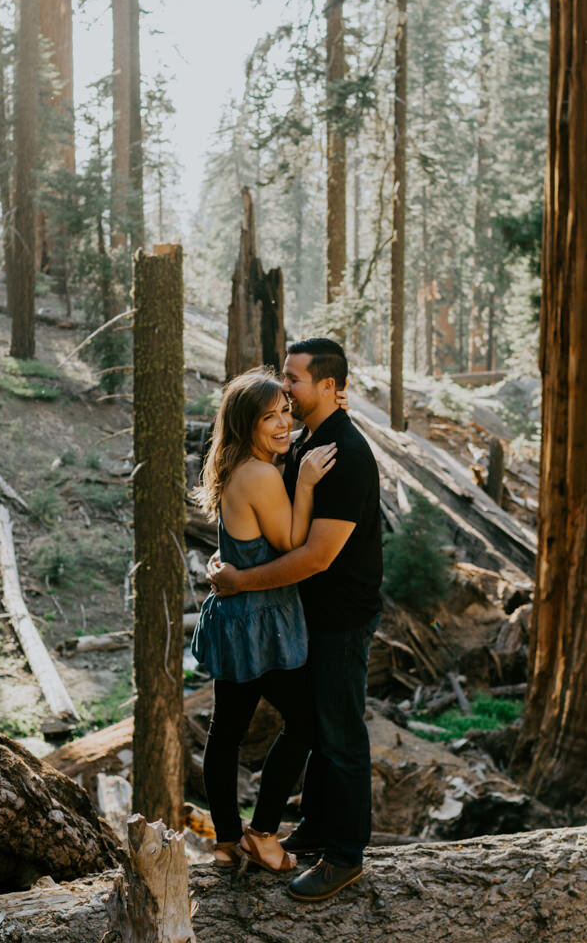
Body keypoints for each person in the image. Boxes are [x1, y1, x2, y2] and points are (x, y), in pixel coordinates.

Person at [208, 338, 382, 902]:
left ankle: (346, 855)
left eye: (295, 381)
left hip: (339, 617)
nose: (285, 390)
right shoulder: (310, 437)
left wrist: (236, 580)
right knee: (320, 728)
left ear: (330, 386)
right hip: (301, 615)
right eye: (282, 382)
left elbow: (313, 556)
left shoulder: (346, 455)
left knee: (340, 732)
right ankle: (316, 827)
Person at [191, 369, 338, 874]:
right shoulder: (262, 474)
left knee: (226, 732)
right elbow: (293, 543)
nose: (282, 425)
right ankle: (263, 833)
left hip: (236, 619)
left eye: (285, 412)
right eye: (268, 417)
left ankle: (227, 841)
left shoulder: (236, 464)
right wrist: (308, 481)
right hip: (262, 623)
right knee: (307, 724)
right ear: (244, 424)